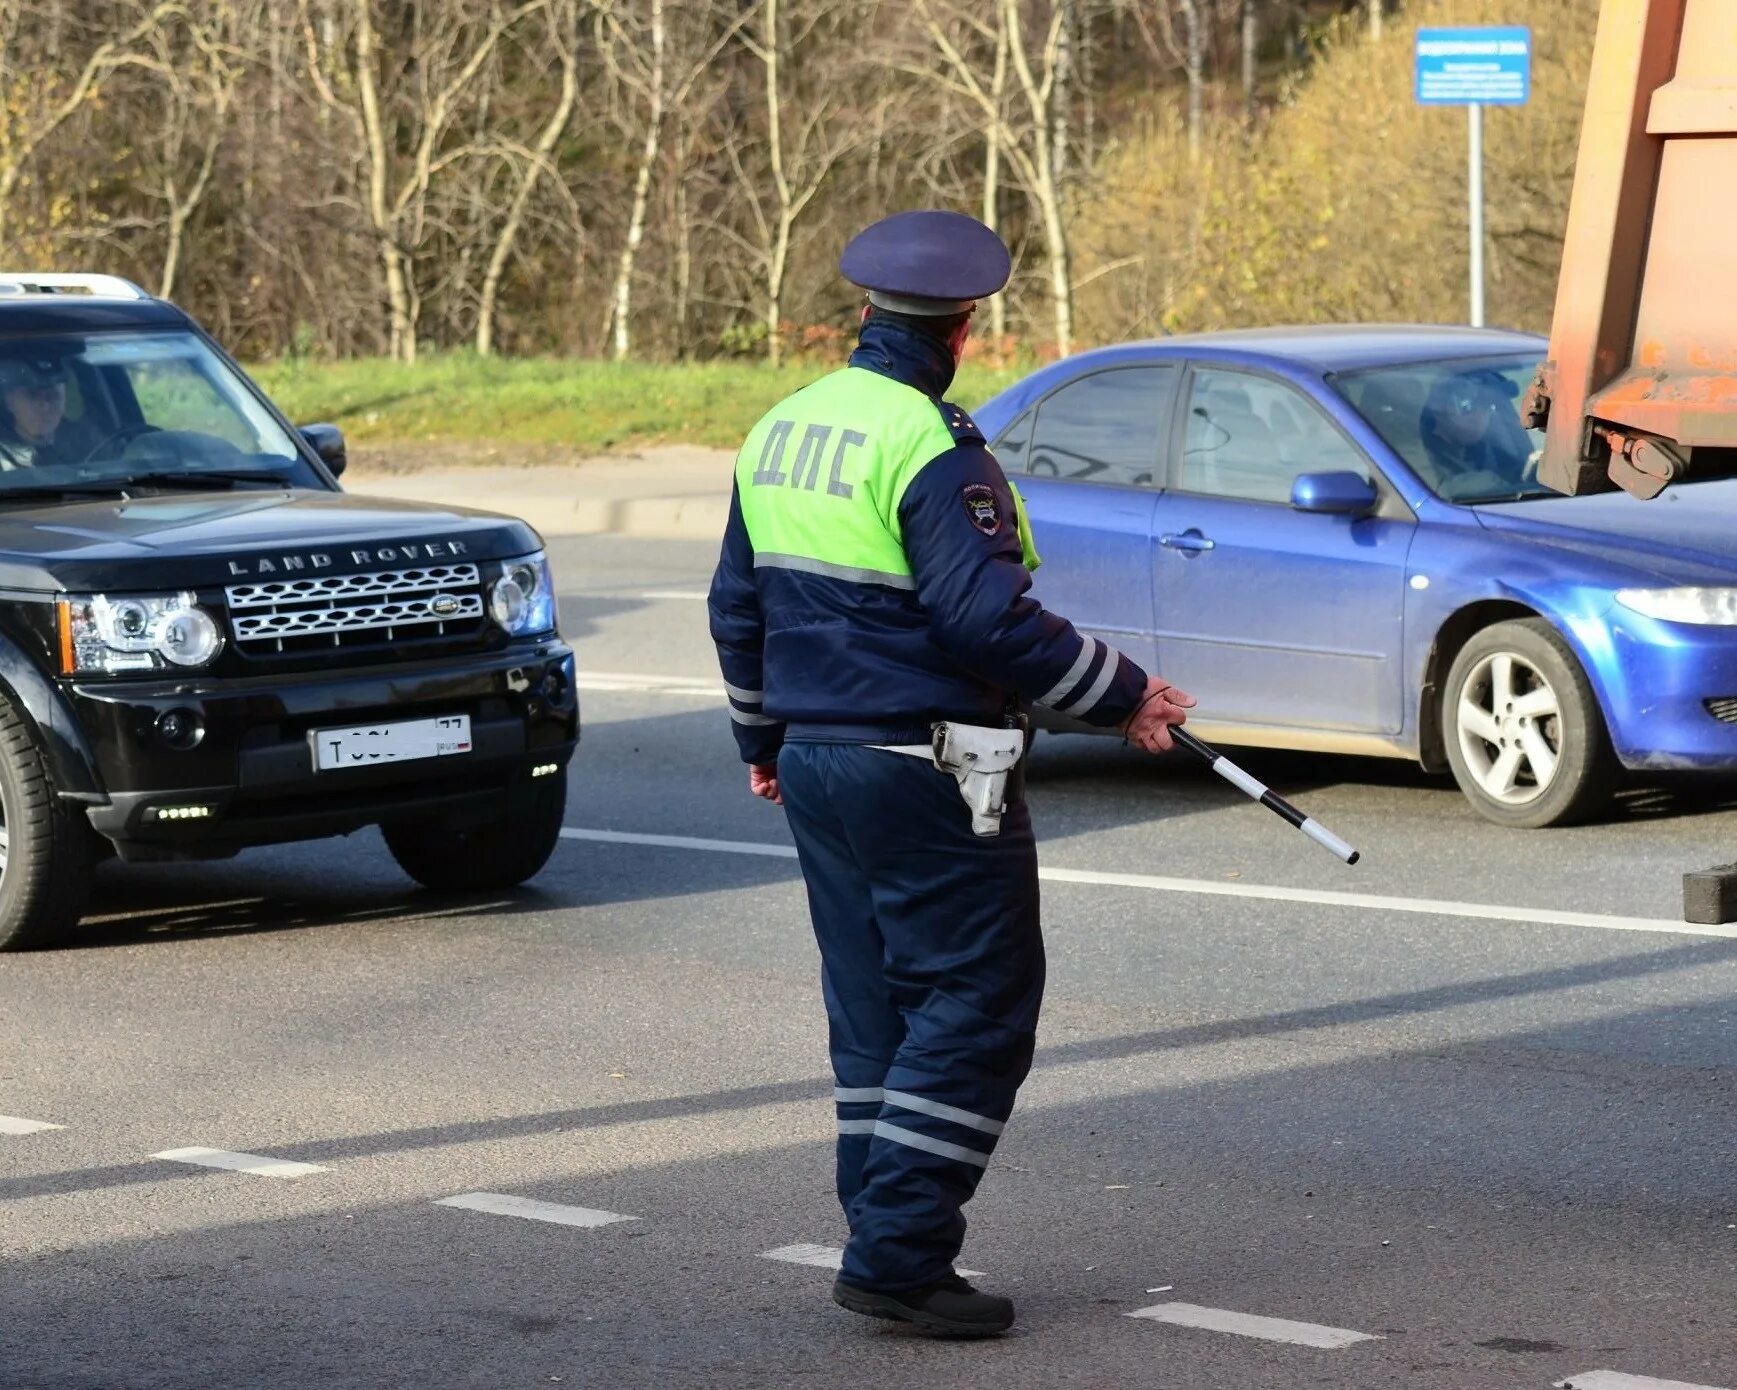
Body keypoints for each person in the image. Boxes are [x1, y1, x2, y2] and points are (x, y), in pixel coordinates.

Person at [708, 209, 1194, 1337]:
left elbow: (736, 606)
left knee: (874, 1009)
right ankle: (896, 1253)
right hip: (925, 762)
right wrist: (1124, 697)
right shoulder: (934, 446)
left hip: (820, 761)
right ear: (964, 326)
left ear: (862, 314)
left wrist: (759, 743)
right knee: (976, 1000)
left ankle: (883, 1231)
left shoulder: (779, 428)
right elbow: (988, 621)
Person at [1418, 369, 1535, 496]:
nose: (1481, 415)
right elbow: (1441, 493)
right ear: (1439, 415)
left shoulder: (1493, 449)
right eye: (1467, 407)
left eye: (1487, 406)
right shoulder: (1420, 463)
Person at [0, 355, 80, 470]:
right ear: (10, 402)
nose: (45, 406)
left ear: (64, 402)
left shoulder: (89, 444)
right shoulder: (4, 458)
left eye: (53, 395)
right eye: (32, 395)